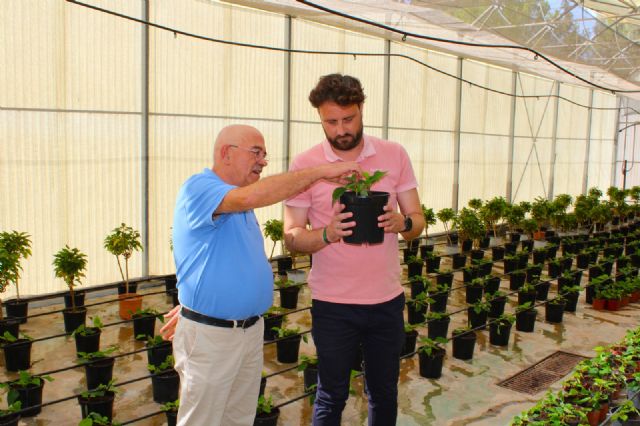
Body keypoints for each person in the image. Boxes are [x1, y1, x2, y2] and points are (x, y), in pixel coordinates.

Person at [160, 124, 362, 426]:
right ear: (226, 153)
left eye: (265, 155)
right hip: (214, 337)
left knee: (238, 418)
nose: (263, 161)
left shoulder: (239, 202)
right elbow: (250, 198)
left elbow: (215, 258)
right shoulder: (199, 188)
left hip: (247, 331)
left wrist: (194, 305)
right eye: (256, 152)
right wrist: (318, 172)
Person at [284, 74, 425, 426]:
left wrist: (402, 223)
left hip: (386, 302)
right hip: (333, 305)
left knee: (384, 392)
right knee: (331, 395)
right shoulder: (306, 165)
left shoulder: (393, 155)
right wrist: (328, 234)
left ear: (361, 109)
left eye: (348, 119)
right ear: (320, 118)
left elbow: (418, 219)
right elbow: (292, 236)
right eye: (331, 122)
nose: (340, 129)